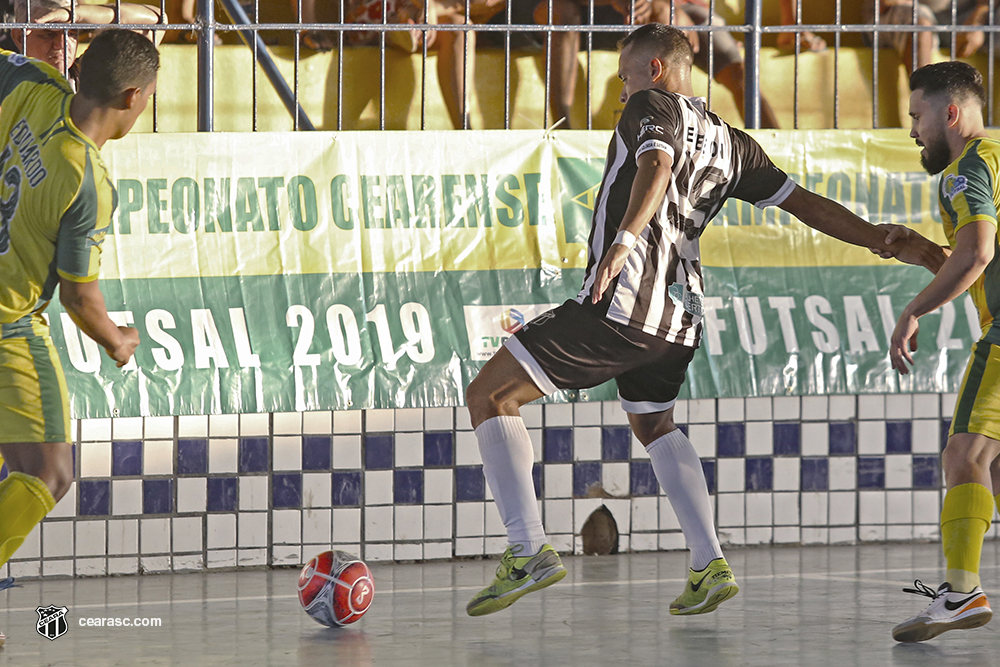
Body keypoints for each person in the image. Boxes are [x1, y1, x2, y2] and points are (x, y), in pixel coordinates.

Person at [463, 22, 934, 618]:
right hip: (679, 320)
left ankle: (527, 548)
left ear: (656, 70)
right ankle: (708, 563)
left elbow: (656, 164)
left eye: (626, 72)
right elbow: (805, 204)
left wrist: (624, 242)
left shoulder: (649, 104)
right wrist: (880, 240)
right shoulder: (732, 141)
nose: (620, 84)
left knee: (491, 395)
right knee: (654, 425)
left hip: (625, 302)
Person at [0, 28, 157, 646]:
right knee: (47, 473)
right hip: (8, 323)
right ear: (132, 97)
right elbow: (78, 297)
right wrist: (118, 340)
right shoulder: (87, 180)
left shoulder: (34, 88)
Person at [874, 61, 1000, 643]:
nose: (913, 131)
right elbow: (975, 259)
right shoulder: (995, 161)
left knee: (962, 453)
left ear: (951, 113)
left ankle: (960, 591)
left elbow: (975, 256)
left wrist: (912, 311)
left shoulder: (964, 170)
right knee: (991, 464)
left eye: (917, 115)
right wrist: (926, 251)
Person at [533, 0, 781, 129]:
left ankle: (774, 153)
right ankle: (562, 127)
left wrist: (668, 5)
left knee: (739, 73)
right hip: (596, 10)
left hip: (678, 10)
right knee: (559, 10)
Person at [2, 0, 165, 85]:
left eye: (71, 33)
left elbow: (158, 22)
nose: (61, 44)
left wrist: (76, 15)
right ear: (19, 37)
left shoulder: (86, 78)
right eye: (48, 34)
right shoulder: (7, 81)